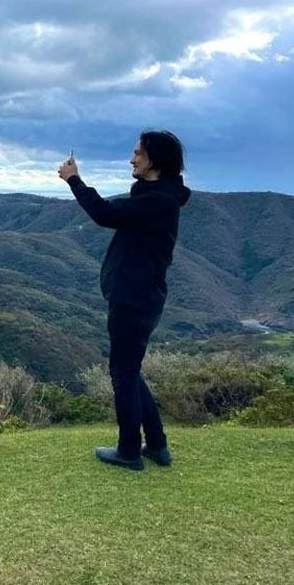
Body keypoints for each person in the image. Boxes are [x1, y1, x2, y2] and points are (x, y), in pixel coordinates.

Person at [58, 130, 191, 470]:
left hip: (133, 298)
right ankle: (156, 445)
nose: (132, 159)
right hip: (142, 296)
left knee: (122, 372)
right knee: (129, 370)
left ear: (155, 160)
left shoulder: (157, 201)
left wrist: (74, 180)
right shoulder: (158, 197)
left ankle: (129, 451)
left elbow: (103, 213)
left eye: (138, 153)